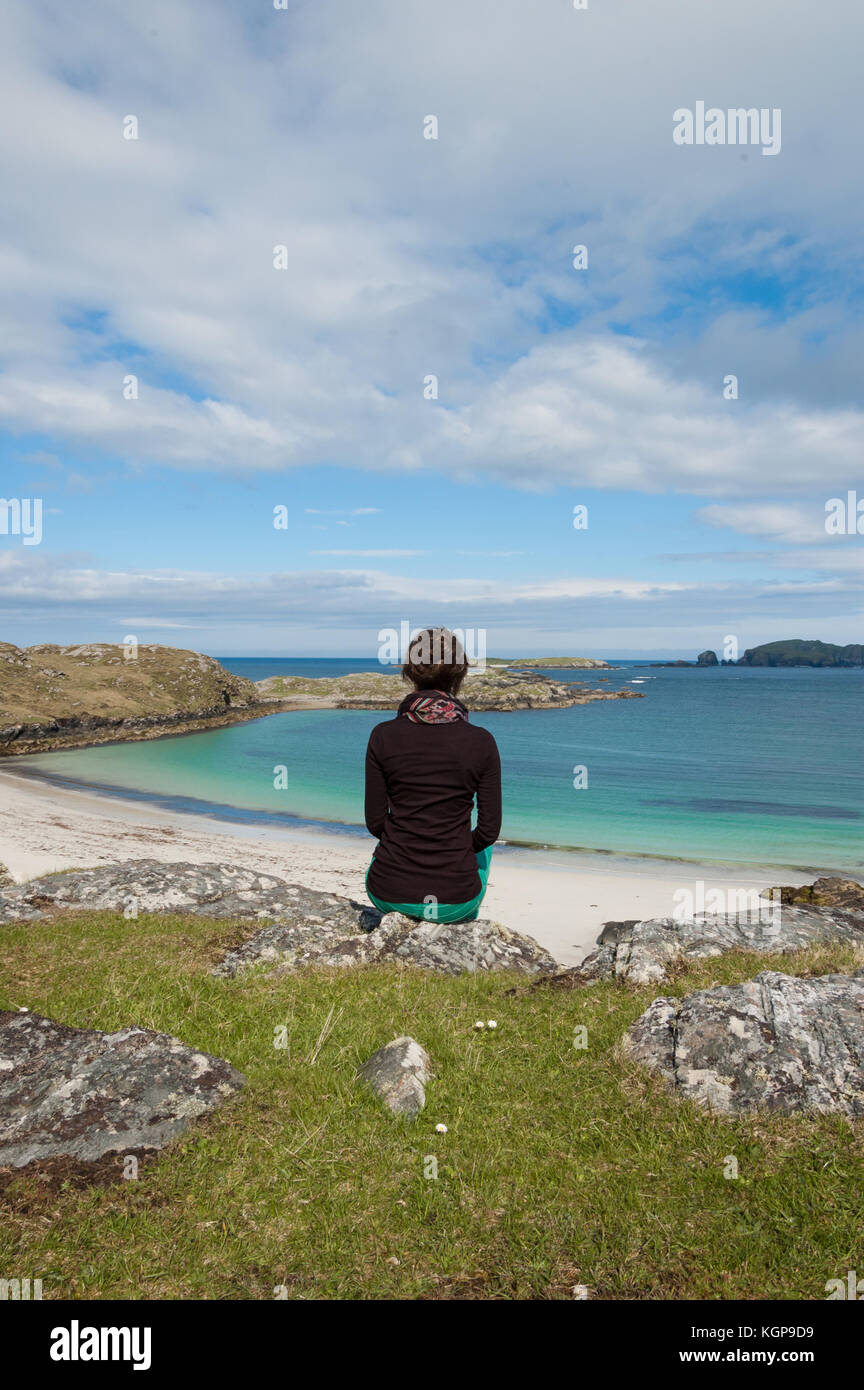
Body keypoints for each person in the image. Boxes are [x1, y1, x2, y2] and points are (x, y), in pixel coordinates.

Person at [364, 628, 502, 924]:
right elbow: (488, 832)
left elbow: (376, 824)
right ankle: (462, 919)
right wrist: (456, 848)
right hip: (456, 900)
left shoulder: (382, 736)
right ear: (459, 674)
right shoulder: (482, 741)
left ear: (410, 673)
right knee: (485, 850)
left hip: (386, 892)